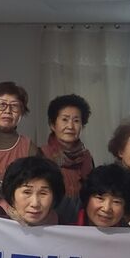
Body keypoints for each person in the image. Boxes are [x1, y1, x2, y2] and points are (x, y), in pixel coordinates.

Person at [40, 94, 94, 223]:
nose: (70, 126)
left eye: (76, 121)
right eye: (65, 119)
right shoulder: (41, 154)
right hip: (49, 222)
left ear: (82, 126)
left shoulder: (86, 157)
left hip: (80, 224)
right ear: (52, 125)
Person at [0, 157, 64, 226]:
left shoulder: (63, 226)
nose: (35, 204)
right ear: (11, 195)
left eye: (43, 193)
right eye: (27, 192)